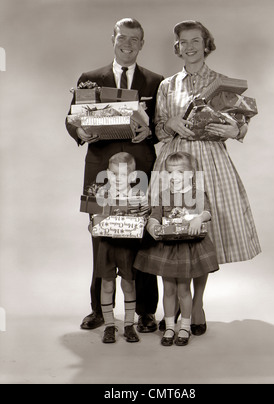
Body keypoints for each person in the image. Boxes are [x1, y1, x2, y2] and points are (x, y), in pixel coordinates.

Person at [152, 20, 261, 335]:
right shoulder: (166, 86)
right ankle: (170, 307)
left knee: (200, 232)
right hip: (173, 161)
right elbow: (158, 129)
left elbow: (240, 125)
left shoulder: (223, 82)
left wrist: (233, 130)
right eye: (183, 42)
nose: (189, 47)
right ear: (177, 47)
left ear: (206, 43)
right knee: (170, 226)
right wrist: (169, 122)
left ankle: (196, 303)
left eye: (195, 40)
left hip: (209, 159)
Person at [65, 18, 164, 332]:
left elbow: (161, 126)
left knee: (145, 237)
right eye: (123, 37)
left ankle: (147, 312)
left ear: (141, 44)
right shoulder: (89, 78)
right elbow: (71, 119)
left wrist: (150, 131)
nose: (128, 43)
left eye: (135, 39)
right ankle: (98, 310)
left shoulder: (156, 81)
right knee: (101, 236)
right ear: (113, 38)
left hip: (141, 169)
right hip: (100, 169)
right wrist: (80, 129)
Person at [134, 152, 219, 346]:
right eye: (170, 173)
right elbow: (154, 215)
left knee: (183, 289)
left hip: (187, 249)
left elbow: (207, 211)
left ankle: (185, 326)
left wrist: (199, 218)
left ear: (190, 174)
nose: (174, 177)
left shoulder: (197, 193)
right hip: (168, 249)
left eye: (180, 172)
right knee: (168, 289)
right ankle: (170, 325)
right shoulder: (163, 195)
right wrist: (152, 226)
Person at [91, 152, 148, 343]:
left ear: (132, 176)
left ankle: (129, 324)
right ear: (107, 173)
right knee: (107, 284)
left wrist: (140, 217)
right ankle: (109, 325)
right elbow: (93, 220)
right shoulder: (101, 194)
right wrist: (93, 227)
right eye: (113, 174)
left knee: (128, 283)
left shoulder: (139, 196)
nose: (117, 179)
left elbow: (145, 219)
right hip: (107, 245)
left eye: (122, 175)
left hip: (127, 246)